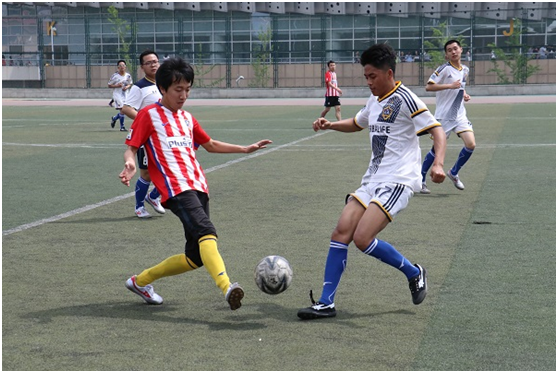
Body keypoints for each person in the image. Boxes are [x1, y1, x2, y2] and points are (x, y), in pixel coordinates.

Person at [297, 43, 447, 320]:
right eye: (365, 77)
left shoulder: (407, 99)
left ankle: (414, 273)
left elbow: (437, 131)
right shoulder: (374, 100)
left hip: (398, 181)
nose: (368, 82)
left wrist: (437, 164)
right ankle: (326, 303)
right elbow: (357, 122)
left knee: (363, 238)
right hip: (372, 180)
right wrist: (330, 125)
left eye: (372, 76)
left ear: (389, 73)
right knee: (340, 232)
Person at [119, 57, 272, 310]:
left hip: (199, 186)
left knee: (195, 257)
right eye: (178, 89)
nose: (183, 95)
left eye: (188, 89)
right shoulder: (149, 115)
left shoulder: (187, 119)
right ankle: (227, 287)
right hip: (175, 189)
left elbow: (210, 144)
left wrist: (244, 149)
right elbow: (131, 147)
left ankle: (140, 281)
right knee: (206, 232)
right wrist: (130, 164)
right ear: (163, 89)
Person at [420, 39, 475, 194]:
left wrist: (464, 93)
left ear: (461, 50)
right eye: (449, 50)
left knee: (471, 144)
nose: (453, 52)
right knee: (436, 150)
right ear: (446, 54)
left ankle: (454, 172)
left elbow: (460, 87)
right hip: (444, 116)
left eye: (455, 48)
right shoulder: (444, 69)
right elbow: (428, 86)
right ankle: (421, 178)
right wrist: (449, 86)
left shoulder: (465, 69)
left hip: (459, 114)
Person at [121, 50, 165, 218]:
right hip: (147, 137)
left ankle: (153, 196)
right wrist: (147, 121)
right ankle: (139, 207)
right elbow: (126, 108)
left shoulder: (163, 83)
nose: (153, 64)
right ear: (142, 67)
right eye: (149, 63)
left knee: (170, 168)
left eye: (155, 61)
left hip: (164, 135)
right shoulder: (139, 87)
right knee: (146, 173)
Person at [108, 60, 132, 132]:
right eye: (120, 66)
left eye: (123, 65)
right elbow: (109, 85)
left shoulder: (128, 76)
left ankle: (114, 118)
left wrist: (127, 87)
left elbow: (130, 83)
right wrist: (117, 85)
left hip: (126, 94)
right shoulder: (115, 76)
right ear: (118, 67)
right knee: (122, 109)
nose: (122, 67)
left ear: (125, 67)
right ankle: (122, 127)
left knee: (124, 110)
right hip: (117, 95)